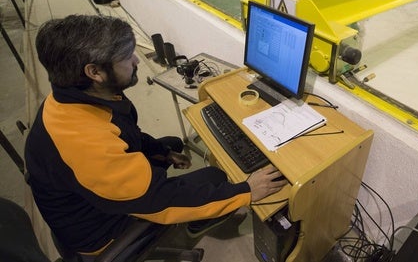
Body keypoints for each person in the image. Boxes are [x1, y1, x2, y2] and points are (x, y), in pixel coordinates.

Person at [24, 14, 286, 258]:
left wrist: (163, 153)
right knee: (217, 178)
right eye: (127, 57)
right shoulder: (83, 143)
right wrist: (246, 191)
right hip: (100, 234)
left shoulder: (75, 98)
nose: (137, 61)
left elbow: (124, 134)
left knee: (170, 143)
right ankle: (192, 225)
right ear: (95, 72)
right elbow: (161, 201)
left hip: (88, 201)